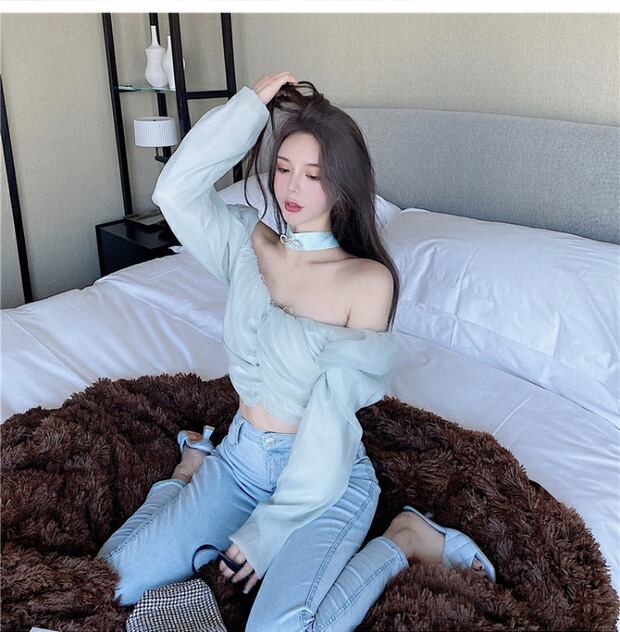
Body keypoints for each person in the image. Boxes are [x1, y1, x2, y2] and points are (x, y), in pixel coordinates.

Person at [97, 71, 495, 631]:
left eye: (313, 175)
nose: (292, 187)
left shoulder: (366, 281)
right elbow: (174, 191)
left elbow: (330, 421)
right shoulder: (246, 244)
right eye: (283, 169)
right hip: (239, 463)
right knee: (110, 582)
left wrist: (274, 527)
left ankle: (403, 539)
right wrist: (248, 109)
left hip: (324, 483)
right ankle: (189, 471)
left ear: (343, 186)